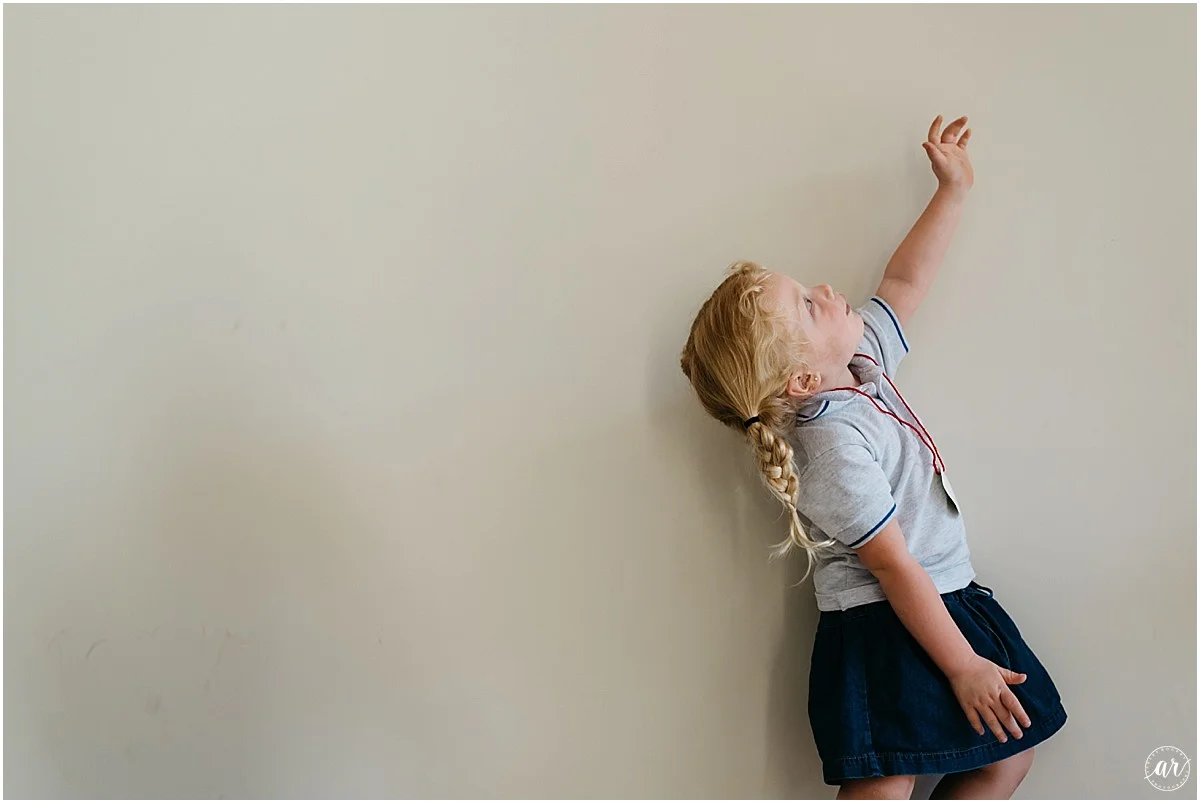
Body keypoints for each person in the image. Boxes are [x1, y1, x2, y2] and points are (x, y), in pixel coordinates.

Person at [679, 115, 1067, 799]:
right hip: (889, 619)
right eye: (807, 304)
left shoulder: (860, 365)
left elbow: (905, 282)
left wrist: (951, 192)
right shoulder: (828, 442)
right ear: (800, 380)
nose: (829, 291)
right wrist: (961, 665)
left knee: (1007, 756)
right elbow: (890, 563)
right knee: (887, 782)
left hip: (944, 593)